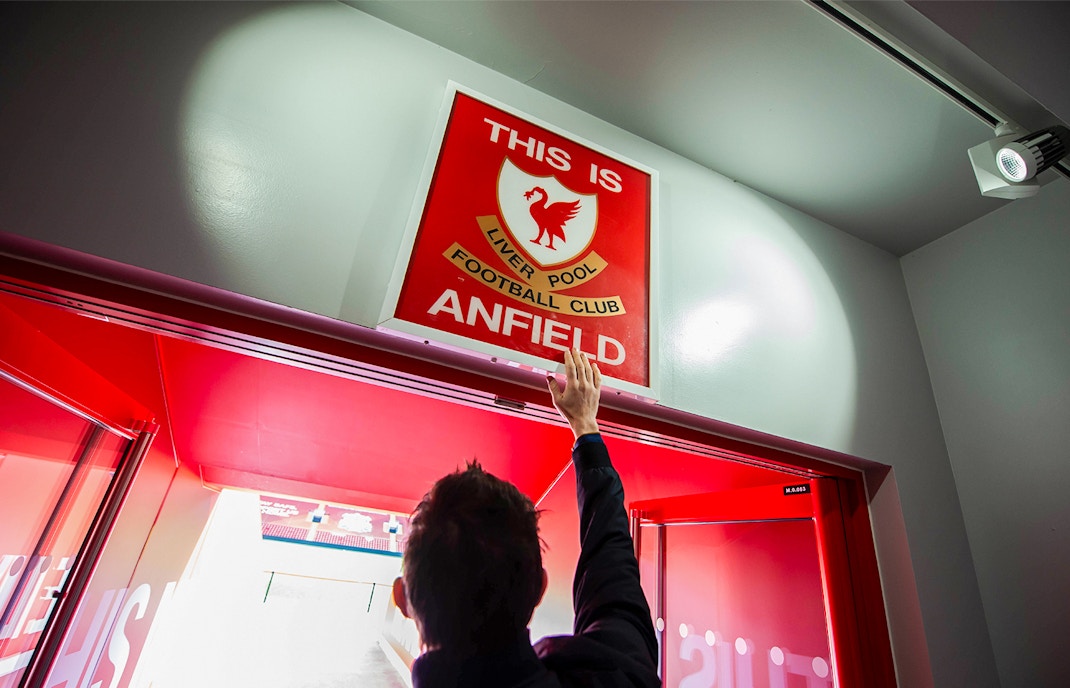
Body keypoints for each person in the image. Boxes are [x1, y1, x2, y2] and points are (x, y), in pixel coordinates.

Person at [391, 349, 660, 688]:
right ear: (539, 589)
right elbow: (612, 569)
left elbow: (613, 577)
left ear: (403, 597)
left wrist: (586, 428)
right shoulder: (612, 674)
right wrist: (584, 425)